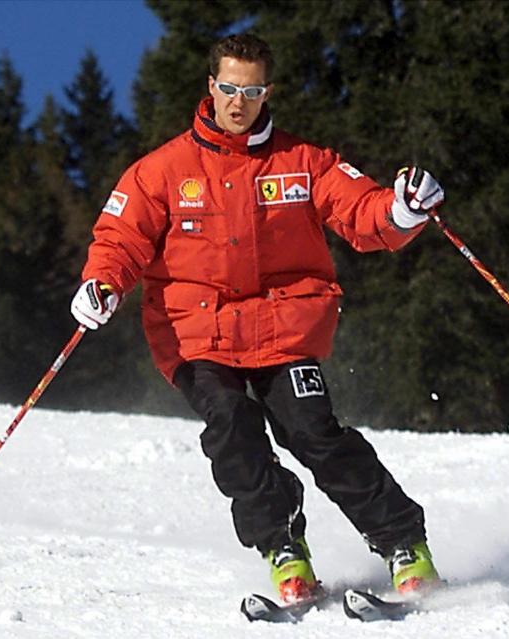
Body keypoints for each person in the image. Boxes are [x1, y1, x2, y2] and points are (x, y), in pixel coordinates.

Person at [70, 33, 444, 603]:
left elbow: (364, 213)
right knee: (232, 430)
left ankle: (403, 544)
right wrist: (101, 285)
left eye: (250, 89)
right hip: (198, 332)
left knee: (313, 432)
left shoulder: (305, 163)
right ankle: (283, 547)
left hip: (285, 328)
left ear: (267, 91)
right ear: (210, 87)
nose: (237, 101)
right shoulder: (162, 171)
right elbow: (120, 238)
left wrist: (402, 209)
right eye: (228, 87)